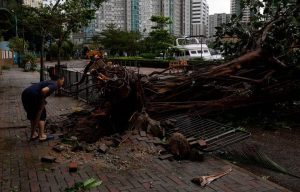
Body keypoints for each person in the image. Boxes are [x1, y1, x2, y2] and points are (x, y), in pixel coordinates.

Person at [21, 75, 64, 141]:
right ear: (59, 80)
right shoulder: (54, 84)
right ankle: (42, 136)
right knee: (42, 115)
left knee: (33, 115)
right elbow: (44, 90)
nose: (62, 83)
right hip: (33, 95)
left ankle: (34, 134)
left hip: (25, 94)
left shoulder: (49, 82)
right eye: (62, 81)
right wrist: (42, 100)